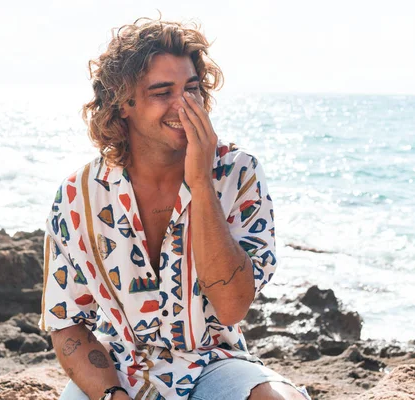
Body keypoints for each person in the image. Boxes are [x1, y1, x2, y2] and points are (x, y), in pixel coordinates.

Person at [39, 17, 311, 400]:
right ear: (123, 104)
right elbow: (67, 325)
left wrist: (201, 184)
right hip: (117, 368)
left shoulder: (236, 174)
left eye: (192, 88)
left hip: (212, 364)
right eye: (162, 92)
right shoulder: (79, 196)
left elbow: (232, 307)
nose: (183, 104)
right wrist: (111, 396)